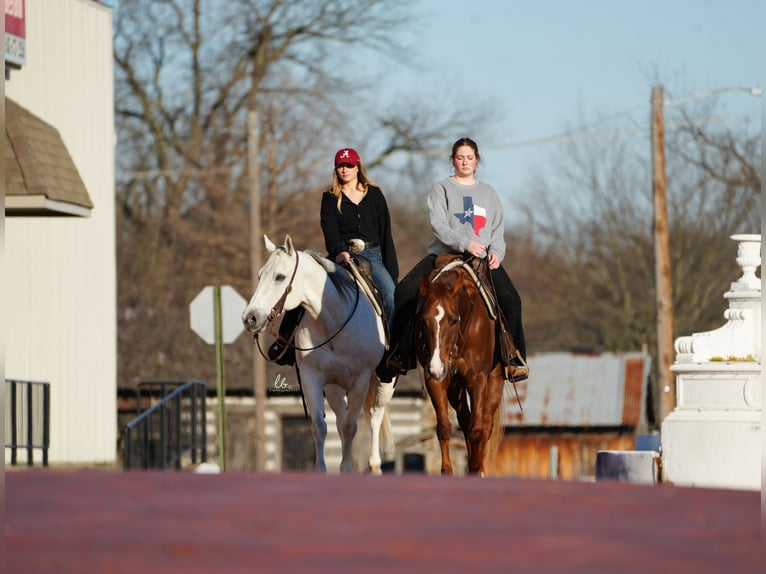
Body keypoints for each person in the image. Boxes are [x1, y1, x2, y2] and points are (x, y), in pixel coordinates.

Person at [383, 137, 528, 381]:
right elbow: (438, 225)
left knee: (511, 300)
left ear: (477, 160)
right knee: (404, 292)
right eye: (460, 158)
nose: (465, 162)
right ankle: (400, 353)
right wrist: (465, 243)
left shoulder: (488, 193)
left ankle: (514, 359)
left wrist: (496, 253)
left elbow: (497, 230)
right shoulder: (441, 189)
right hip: (444, 254)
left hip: (482, 257)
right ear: (452, 160)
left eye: (469, 158)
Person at [269, 147, 400, 374]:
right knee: (306, 284)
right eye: (341, 165)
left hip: (371, 254)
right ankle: (285, 344)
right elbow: (329, 230)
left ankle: (394, 351)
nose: (345, 169)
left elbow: (386, 234)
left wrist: (391, 271)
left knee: (389, 294)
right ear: (336, 168)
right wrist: (339, 250)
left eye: (349, 165)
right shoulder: (329, 198)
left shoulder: (376, 195)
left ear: (358, 167)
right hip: (341, 255)